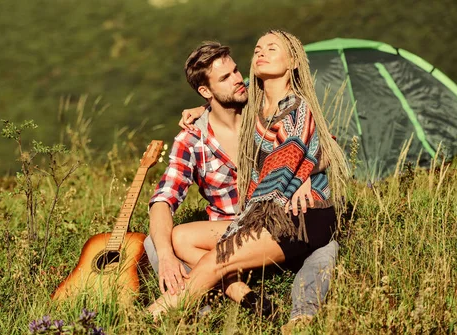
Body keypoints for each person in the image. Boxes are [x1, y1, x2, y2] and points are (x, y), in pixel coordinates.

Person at [145, 38, 342, 321]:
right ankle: (232, 299)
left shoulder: (261, 106)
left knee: (326, 246)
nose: (238, 80)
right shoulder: (191, 140)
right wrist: (165, 256)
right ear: (205, 91)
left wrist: (305, 174)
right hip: (233, 230)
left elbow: (321, 145)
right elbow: (164, 198)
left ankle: (301, 317)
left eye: (236, 71)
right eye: (225, 78)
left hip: (278, 222)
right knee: (160, 241)